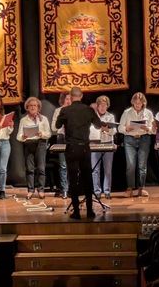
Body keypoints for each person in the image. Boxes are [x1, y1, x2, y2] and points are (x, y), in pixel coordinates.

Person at [56, 87, 103, 219]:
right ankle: (89, 211)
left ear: (70, 96)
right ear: (81, 96)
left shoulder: (65, 110)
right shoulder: (89, 110)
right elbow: (98, 125)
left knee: (73, 179)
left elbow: (57, 126)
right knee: (87, 178)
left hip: (71, 148)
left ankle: (76, 211)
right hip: (84, 148)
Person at [118, 92, 153, 198]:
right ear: (132, 102)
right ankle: (130, 188)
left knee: (142, 165)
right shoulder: (127, 112)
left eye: (140, 103)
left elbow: (153, 130)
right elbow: (120, 128)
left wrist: (147, 129)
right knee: (131, 165)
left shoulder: (148, 113)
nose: (138, 105)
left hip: (144, 139)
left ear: (143, 103)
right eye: (136, 103)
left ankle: (141, 188)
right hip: (130, 139)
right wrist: (126, 129)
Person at [17, 97, 51, 199]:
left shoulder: (43, 119)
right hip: (28, 144)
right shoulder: (23, 120)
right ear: (27, 107)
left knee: (41, 168)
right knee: (29, 169)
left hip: (40, 143)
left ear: (38, 108)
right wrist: (23, 137)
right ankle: (30, 190)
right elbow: (18, 135)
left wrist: (42, 134)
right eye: (30, 105)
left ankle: (41, 190)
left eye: (35, 105)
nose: (33, 107)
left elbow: (48, 134)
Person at [89, 95, 116, 200]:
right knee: (95, 169)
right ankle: (97, 191)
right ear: (97, 105)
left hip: (107, 143)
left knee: (108, 169)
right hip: (95, 144)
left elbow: (114, 131)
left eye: (104, 105)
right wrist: (97, 130)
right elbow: (89, 130)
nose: (102, 107)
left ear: (107, 106)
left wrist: (107, 130)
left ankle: (107, 191)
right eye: (100, 105)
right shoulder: (92, 116)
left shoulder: (110, 116)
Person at [50, 92, 71, 198]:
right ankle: (64, 189)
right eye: (66, 99)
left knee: (73, 164)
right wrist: (61, 124)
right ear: (63, 100)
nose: (68, 101)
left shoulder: (74, 110)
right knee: (63, 165)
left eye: (70, 99)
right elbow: (53, 128)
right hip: (61, 138)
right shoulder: (58, 111)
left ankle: (72, 189)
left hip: (72, 138)